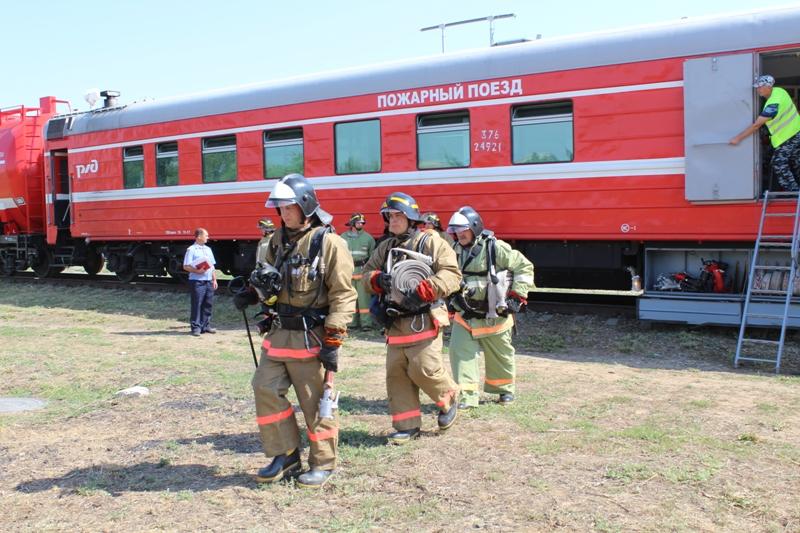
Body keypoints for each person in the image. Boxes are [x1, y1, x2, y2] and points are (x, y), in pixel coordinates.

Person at [233, 173, 356, 488]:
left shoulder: (330, 243)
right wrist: (251, 293)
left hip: (310, 337)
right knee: (264, 388)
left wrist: (334, 338)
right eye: (280, 208)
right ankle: (285, 454)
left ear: (305, 206)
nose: (283, 213)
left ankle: (323, 463)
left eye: (288, 207)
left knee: (315, 402)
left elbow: (343, 295)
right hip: (278, 334)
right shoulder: (277, 240)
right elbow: (269, 279)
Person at [362, 192, 462, 444]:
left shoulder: (431, 242)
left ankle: (449, 397)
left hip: (424, 317)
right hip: (395, 322)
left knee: (423, 368)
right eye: (390, 216)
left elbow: (452, 275)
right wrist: (376, 279)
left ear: (411, 218)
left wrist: (426, 290)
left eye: (398, 216)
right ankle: (406, 425)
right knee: (397, 374)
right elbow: (365, 275)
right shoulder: (384, 247)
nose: (393, 221)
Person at [446, 206, 534, 408]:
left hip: (495, 313)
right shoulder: (454, 250)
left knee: (500, 355)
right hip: (465, 314)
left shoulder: (495, 247)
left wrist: (517, 296)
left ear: (475, 228)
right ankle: (468, 396)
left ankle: (504, 390)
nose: (459, 234)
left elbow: (524, 266)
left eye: (463, 230)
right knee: (460, 353)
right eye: (456, 231)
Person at [730, 75, 800, 191]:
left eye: (760, 87)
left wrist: (738, 138)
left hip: (789, 137)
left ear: (768, 86)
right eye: (757, 87)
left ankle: (794, 191)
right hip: (796, 132)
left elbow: (757, 125)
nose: (758, 89)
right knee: (796, 162)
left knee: (778, 163)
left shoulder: (773, 104)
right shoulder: (780, 91)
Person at [340, 213, 376, 330]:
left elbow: (372, 258)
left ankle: (366, 324)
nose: (361, 224)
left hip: (362, 272)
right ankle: (351, 323)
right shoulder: (343, 237)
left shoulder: (368, 238)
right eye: (358, 222)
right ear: (352, 223)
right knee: (350, 299)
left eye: (362, 222)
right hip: (348, 273)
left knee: (364, 300)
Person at [183, 228, 218, 336]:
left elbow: (212, 266)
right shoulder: (191, 249)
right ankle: (196, 328)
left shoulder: (208, 249)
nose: (208, 237)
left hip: (208, 281)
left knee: (208, 304)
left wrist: (214, 279)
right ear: (199, 237)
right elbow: (186, 266)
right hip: (197, 281)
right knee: (197, 304)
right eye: (206, 235)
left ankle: (205, 326)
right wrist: (197, 271)